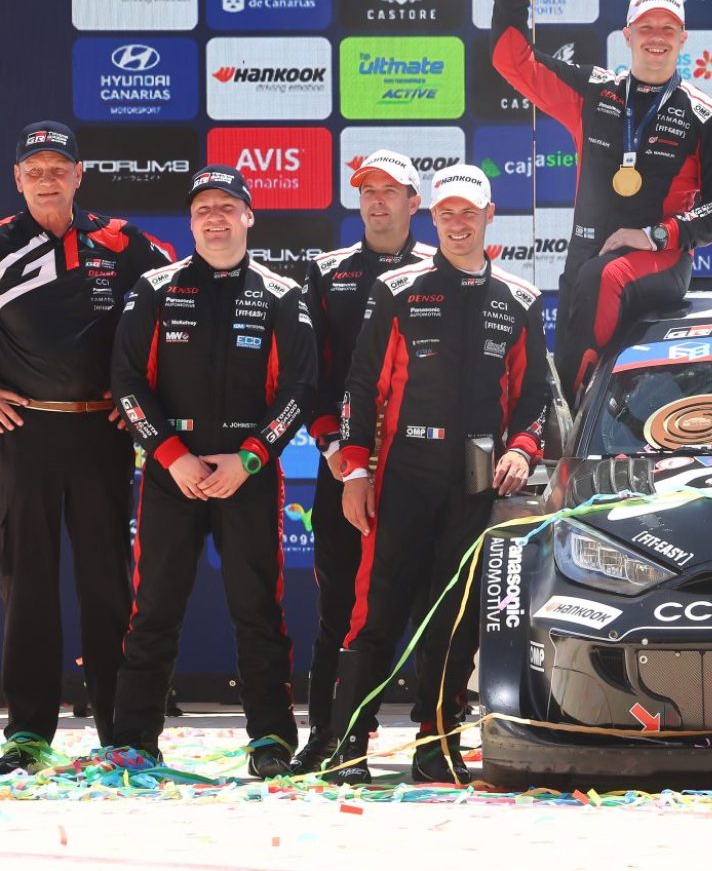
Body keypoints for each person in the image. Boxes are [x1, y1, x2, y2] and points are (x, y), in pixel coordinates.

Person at [322, 164, 553, 785]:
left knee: (454, 615)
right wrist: (355, 471)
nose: (457, 224)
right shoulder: (397, 289)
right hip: (404, 474)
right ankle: (349, 745)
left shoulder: (520, 298)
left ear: (489, 216)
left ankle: (437, 743)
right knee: (378, 609)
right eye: (447, 213)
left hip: (476, 481)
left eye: (468, 213)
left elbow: (536, 395)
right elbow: (361, 386)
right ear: (432, 218)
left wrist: (522, 450)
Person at [107, 165, 316, 777]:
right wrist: (170, 455)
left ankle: (271, 739)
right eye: (203, 209)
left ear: (249, 216)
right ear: (190, 221)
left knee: (258, 609)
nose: (215, 218)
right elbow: (126, 382)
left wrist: (251, 457)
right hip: (173, 473)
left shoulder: (281, 294)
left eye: (227, 207)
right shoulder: (155, 288)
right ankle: (134, 739)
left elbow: (301, 389)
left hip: (247, 474)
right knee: (154, 608)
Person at [491, 0, 712, 406]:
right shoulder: (595, 92)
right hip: (586, 259)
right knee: (574, 348)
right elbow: (512, 60)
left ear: (683, 39)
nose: (656, 37)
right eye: (646, 27)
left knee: (602, 280)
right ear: (627, 35)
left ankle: (583, 424)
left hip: (660, 260)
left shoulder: (708, 115)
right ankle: (574, 435)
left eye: (667, 29)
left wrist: (656, 235)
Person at [0, 121, 173, 774]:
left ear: (79, 174)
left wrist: (144, 400)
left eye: (58, 168)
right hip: (24, 437)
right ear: (18, 179)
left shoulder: (125, 242)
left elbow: (178, 316)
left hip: (103, 435)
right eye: (34, 170)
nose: (47, 179)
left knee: (107, 586)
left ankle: (120, 730)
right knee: (28, 586)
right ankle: (27, 731)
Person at [290, 149, 434, 774]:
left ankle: (435, 741)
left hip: (422, 468)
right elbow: (309, 379)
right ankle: (327, 738)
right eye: (367, 190)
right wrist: (337, 454)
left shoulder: (442, 268)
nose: (377, 201)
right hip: (345, 470)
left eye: (390, 190)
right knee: (339, 608)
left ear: (413, 202)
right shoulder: (327, 273)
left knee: (429, 607)